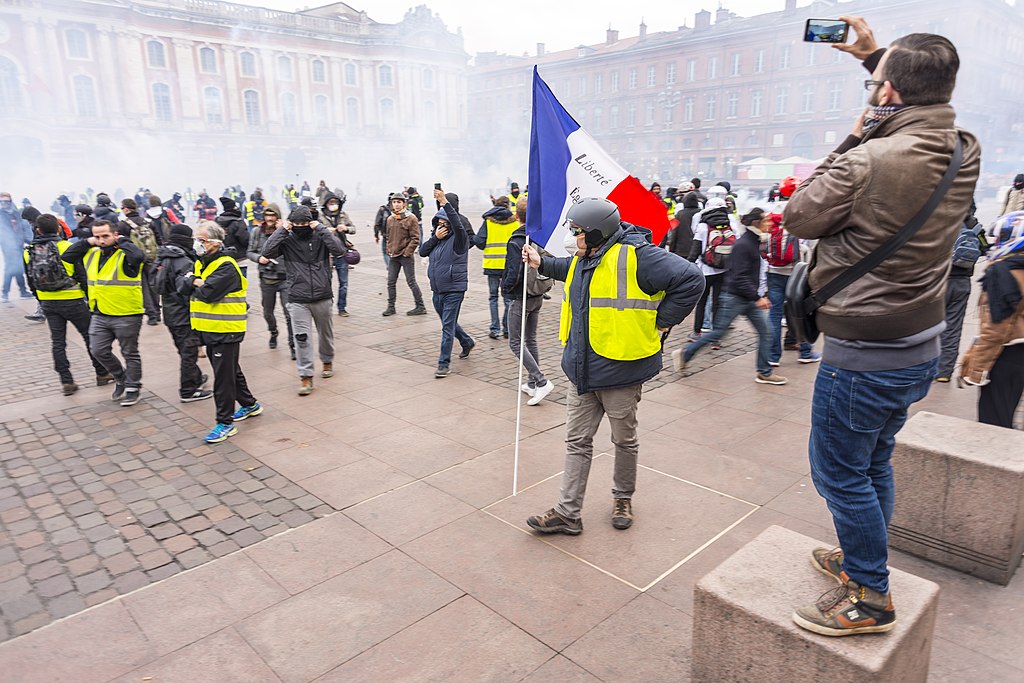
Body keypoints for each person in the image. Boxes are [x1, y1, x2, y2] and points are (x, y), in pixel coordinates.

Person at [784, 16, 980, 636]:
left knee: (839, 473)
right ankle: (861, 557)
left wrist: (855, 132)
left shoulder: (866, 160)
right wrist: (877, 63)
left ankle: (870, 595)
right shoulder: (964, 149)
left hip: (864, 350)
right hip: (916, 343)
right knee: (873, 463)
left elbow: (798, 214)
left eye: (881, 83)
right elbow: (925, 112)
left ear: (889, 95)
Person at [523, 198, 705, 535]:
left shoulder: (639, 256)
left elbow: (692, 279)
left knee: (624, 440)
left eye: (577, 232)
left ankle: (623, 497)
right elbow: (569, 268)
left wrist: (662, 321)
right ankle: (567, 513)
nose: (572, 238)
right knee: (577, 441)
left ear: (595, 235)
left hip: (621, 369)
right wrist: (540, 263)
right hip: (581, 368)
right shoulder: (584, 256)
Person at [676, 208, 787, 385]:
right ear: (755, 223)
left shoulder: (753, 241)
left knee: (767, 332)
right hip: (735, 297)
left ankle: (764, 372)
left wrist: (758, 295)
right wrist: (757, 297)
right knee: (718, 332)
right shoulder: (744, 244)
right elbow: (739, 276)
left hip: (747, 297)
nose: (769, 224)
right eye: (765, 221)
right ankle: (685, 353)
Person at [180, 222, 261, 443]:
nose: (197, 243)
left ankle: (224, 423)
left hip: (226, 329)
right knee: (230, 370)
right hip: (209, 328)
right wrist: (193, 280)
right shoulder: (201, 263)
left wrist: (193, 281)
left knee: (223, 378)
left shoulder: (226, 266)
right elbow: (180, 285)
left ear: (216, 243)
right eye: (196, 239)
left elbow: (207, 293)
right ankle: (250, 404)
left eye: (202, 240)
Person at [62, 219, 148, 407]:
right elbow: (67, 256)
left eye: (105, 236)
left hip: (126, 313)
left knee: (129, 352)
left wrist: (122, 241)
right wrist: (88, 241)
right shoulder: (92, 253)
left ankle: (133, 387)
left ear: (115, 235)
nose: (101, 240)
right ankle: (121, 378)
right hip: (100, 312)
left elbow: (139, 256)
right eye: (98, 236)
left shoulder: (125, 255)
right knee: (98, 350)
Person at [262, 206, 345, 395]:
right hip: (297, 297)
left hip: (322, 295)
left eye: (304, 223)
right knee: (302, 338)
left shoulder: (320, 237)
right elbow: (266, 252)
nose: (300, 227)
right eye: (296, 223)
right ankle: (306, 377)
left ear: (310, 222)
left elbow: (339, 250)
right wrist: (282, 229)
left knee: (325, 333)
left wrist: (322, 229)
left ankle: (327, 361)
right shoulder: (287, 240)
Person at [23, 214, 109, 394]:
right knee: (89, 336)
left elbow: (31, 279)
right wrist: (88, 297)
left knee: (58, 342)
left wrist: (40, 299)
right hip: (73, 300)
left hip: (48, 301)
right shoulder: (67, 247)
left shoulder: (28, 251)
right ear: (59, 229)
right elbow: (81, 275)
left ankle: (67, 381)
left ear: (37, 230)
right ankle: (102, 373)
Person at [959, 211, 1024, 427]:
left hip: (1006, 356)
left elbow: (996, 329)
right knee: (1007, 412)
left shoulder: (1002, 272)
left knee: (993, 420)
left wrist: (977, 369)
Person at [765, 178, 821, 367]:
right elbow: (811, 244)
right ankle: (805, 352)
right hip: (798, 272)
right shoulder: (802, 212)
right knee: (800, 310)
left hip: (774, 271)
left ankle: (773, 357)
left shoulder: (769, 212)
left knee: (774, 314)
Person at [419, 189, 475, 378]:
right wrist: (436, 237)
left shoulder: (460, 240)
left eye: (445, 224)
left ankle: (443, 363)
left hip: (454, 289)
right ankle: (466, 341)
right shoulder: (437, 240)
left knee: (447, 327)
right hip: (437, 289)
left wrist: (445, 203)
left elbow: (459, 225)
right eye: (439, 224)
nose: (442, 227)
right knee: (447, 323)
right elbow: (422, 251)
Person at [504, 196, 554, 404]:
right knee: (530, 339)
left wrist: (505, 288)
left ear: (516, 216)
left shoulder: (517, 240)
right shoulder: (540, 236)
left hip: (520, 295)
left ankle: (542, 382)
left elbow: (514, 271)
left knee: (515, 342)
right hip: (537, 292)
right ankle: (532, 383)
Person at [154, 223, 211, 403]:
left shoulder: (162, 257)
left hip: (170, 313)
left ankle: (196, 377)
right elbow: (187, 289)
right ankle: (188, 390)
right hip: (184, 314)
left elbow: (154, 284)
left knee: (183, 348)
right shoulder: (183, 261)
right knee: (189, 351)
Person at [936, 203, 986, 382]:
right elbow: (985, 248)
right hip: (962, 283)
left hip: (937, 280)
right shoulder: (974, 224)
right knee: (953, 328)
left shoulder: (938, 220)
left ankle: (924, 367)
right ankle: (944, 372)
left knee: (927, 325)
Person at [247, 203, 294, 359]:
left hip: (284, 278)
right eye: (267, 215)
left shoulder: (286, 231)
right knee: (268, 312)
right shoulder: (256, 232)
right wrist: (259, 258)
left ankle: (292, 345)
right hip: (267, 279)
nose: (270, 219)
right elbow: (249, 252)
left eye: (273, 215)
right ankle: (273, 332)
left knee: (289, 313)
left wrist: (285, 231)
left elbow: (295, 249)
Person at [686, 197, 732, 340]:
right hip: (724, 269)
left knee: (702, 301)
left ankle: (697, 332)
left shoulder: (702, 226)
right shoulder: (730, 224)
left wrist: (687, 267)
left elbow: (695, 250)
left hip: (705, 271)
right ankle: (716, 337)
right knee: (718, 303)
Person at [473, 195, 518, 338]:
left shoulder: (488, 222)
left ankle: (494, 328)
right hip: (508, 265)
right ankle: (507, 329)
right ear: (508, 206)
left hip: (492, 264)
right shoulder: (514, 222)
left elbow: (479, 242)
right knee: (508, 298)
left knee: (493, 297)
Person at [118, 198, 161, 327]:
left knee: (143, 288)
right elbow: (159, 239)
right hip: (152, 259)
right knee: (153, 286)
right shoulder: (149, 222)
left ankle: (151, 314)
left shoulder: (123, 224)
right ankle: (158, 312)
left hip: (136, 260)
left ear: (126, 209)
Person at [382, 192, 425, 317]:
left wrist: (407, 252)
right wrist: (388, 249)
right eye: (394, 202)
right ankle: (391, 307)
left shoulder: (411, 218)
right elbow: (388, 236)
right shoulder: (390, 219)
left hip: (406, 256)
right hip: (394, 256)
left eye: (399, 202)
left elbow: (416, 238)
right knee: (391, 282)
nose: (396, 205)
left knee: (411, 281)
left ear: (404, 203)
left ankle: (420, 306)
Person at [319, 192, 356, 316]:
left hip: (341, 253)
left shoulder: (342, 215)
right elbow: (313, 232)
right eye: (331, 202)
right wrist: (324, 231)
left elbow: (353, 228)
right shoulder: (320, 216)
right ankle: (327, 308)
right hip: (326, 254)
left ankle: (342, 307)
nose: (333, 205)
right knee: (326, 283)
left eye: (335, 202)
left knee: (344, 284)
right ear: (326, 204)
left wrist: (345, 228)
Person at [1, 191, 34, 301]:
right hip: (8, 246)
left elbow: (21, 228)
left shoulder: (16, 213)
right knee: (10, 267)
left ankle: (23, 291)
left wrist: (28, 240)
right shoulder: (1, 215)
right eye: (1, 201)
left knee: (19, 267)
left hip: (18, 244)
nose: (4, 203)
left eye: (6, 201)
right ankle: (5, 293)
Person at [215, 197, 251, 278]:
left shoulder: (217, 222)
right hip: (239, 258)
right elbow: (245, 240)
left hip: (222, 258)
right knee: (241, 284)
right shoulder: (238, 222)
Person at [373, 195, 391, 267]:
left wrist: (376, 235)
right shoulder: (399, 210)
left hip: (385, 235)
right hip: (396, 236)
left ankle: (390, 267)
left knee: (385, 252)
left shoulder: (383, 209)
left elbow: (377, 223)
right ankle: (392, 268)